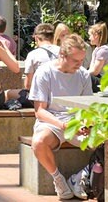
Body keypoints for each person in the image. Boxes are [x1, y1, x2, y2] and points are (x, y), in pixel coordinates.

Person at [28, 34, 92, 200]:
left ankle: (80, 176)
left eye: (82, 60)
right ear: (62, 55)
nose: (80, 65)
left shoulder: (84, 75)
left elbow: (88, 108)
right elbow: (40, 111)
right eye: (76, 61)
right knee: (39, 142)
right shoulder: (44, 72)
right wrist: (64, 126)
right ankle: (58, 179)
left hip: (77, 121)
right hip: (52, 121)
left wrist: (86, 124)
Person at [23, 23, 59, 90]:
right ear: (53, 37)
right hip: (62, 94)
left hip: (41, 95)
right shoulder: (63, 52)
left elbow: (28, 85)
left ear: (36, 38)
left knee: (8, 94)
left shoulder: (33, 55)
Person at [87, 22, 108, 92]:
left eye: (90, 35)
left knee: (84, 77)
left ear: (96, 35)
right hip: (101, 79)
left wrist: (81, 74)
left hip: (106, 83)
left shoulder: (103, 51)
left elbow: (95, 72)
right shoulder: (97, 49)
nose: (89, 38)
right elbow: (91, 68)